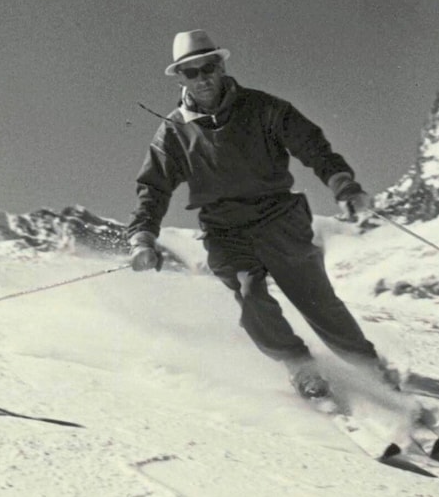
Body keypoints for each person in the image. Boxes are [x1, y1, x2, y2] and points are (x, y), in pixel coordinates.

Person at [127, 29, 397, 399]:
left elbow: (312, 146)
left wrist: (342, 184)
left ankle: (372, 371)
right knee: (250, 294)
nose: (204, 77)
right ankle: (299, 367)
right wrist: (143, 237)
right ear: (180, 77)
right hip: (225, 230)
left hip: (280, 218)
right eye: (192, 72)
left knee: (316, 301)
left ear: (222, 66)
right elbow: (153, 188)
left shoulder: (263, 108)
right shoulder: (173, 132)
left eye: (210, 67)